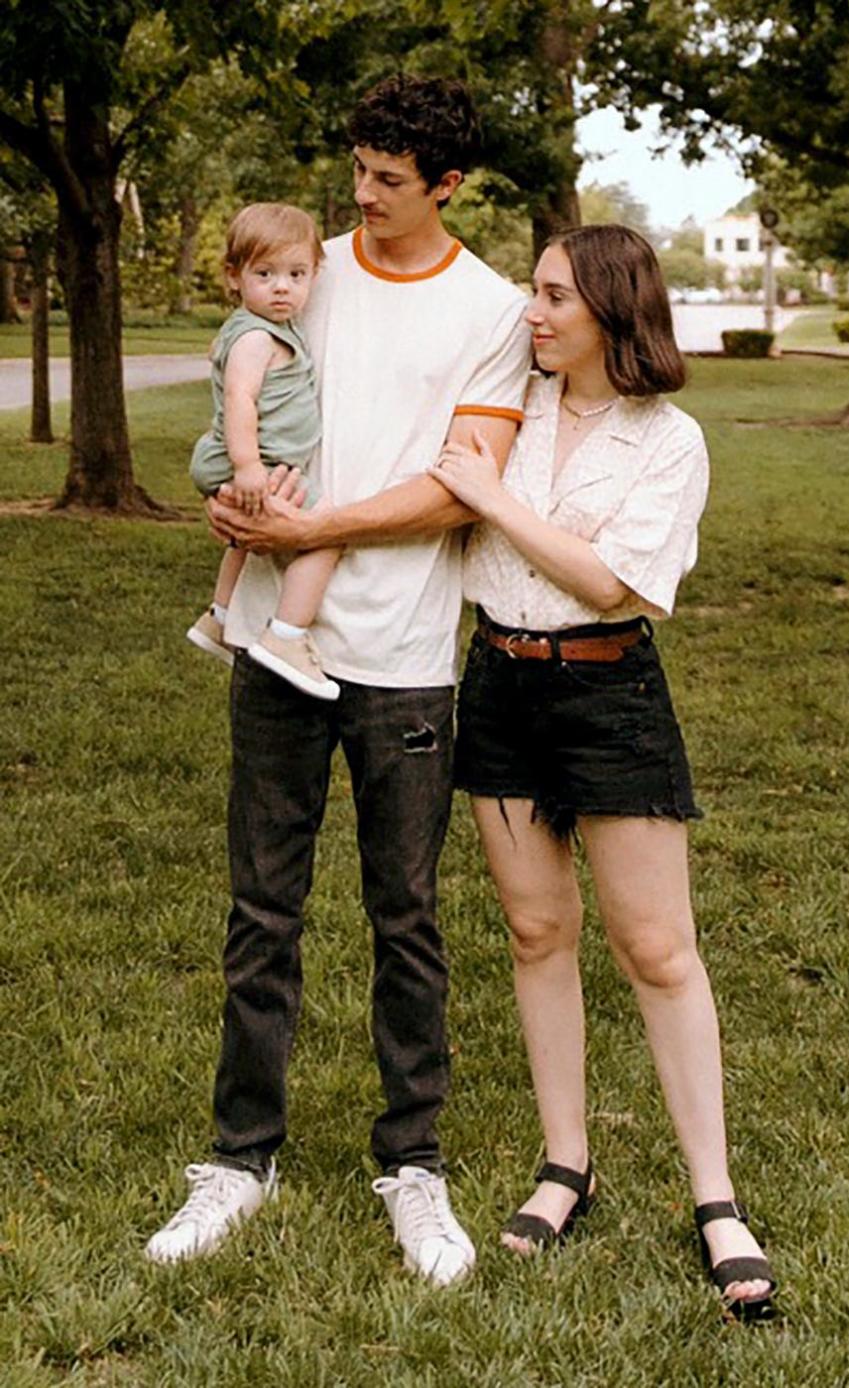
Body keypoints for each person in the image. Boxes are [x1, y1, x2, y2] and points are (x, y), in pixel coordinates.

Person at [144, 76, 530, 1287]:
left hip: (405, 658)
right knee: (262, 908)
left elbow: (459, 480)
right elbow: (249, 394)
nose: (362, 196)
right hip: (274, 643)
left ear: (449, 186)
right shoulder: (308, 266)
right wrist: (235, 493)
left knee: (404, 917)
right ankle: (238, 1159)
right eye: (357, 169)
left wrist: (311, 535)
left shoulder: (493, 309)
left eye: (390, 180)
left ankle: (413, 1164)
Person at [429, 224, 777, 1321]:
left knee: (659, 949)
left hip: (610, 693)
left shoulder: (668, 439)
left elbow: (614, 581)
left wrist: (495, 502)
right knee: (538, 933)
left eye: (551, 297)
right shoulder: (508, 409)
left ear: (610, 313)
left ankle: (715, 1196)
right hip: (498, 684)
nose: (530, 313)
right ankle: (564, 1161)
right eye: (532, 292)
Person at [187, 202, 339, 700]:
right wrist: (248, 466)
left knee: (246, 538)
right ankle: (287, 636)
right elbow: (239, 399)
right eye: (265, 273)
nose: (282, 286)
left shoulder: (272, 326)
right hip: (258, 460)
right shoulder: (256, 337)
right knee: (326, 531)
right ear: (234, 276)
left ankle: (220, 616)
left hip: (259, 459)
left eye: (297, 274)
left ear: (315, 273)